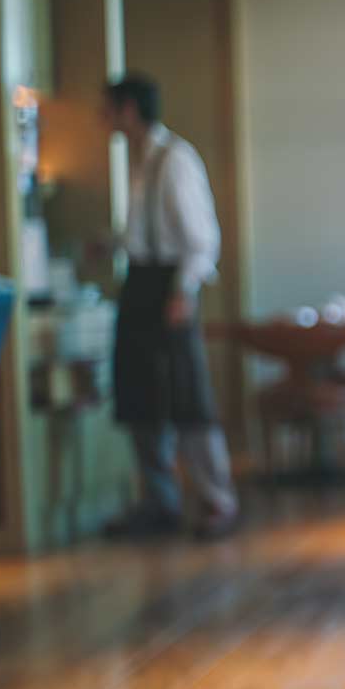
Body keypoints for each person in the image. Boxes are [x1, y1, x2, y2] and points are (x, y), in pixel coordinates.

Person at [101, 73, 239, 541]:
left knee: (187, 395)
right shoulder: (139, 162)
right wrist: (111, 245)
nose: (104, 119)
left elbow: (202, 240)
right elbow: (142, 232)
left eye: (109, 109)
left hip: (169, 289)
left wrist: (183, 291)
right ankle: (160, 501)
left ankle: (217, 500)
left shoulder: (175, 159)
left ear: (128, 111)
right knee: (141, 396)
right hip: (140, 285)